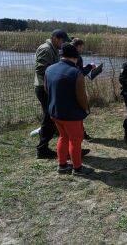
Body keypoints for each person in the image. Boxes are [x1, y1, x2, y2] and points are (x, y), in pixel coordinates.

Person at [45, 43, 94, 175]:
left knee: (63, 137)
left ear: (62, 56)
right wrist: (86, 109)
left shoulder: (49, 69)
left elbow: (46, 89)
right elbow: (81, 97)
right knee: (75, 140)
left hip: (55, 112)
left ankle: (62, 165)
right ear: (75, 57)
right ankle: (77, 168)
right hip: (71, 114)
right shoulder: (76, 73)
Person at [34, 29, 71, 159]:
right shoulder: (46, 49)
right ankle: (42, 149)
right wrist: (54, 77)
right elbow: (40, 69)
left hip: (49, 87)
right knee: (49, 117)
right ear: (55, 38)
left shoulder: (54, 49)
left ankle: (65, 147)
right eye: (62, 41)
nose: (63, 43)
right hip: (44, 88)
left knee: (52, 116)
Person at [71, 38, 96, 141]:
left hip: (70, 86)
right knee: (79, 111)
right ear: (78, 46)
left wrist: (85, 66)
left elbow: (77, 68)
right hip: (76, 87)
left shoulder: (68, 56)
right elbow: (80, 73)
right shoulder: (77, 56)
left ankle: (81, 133)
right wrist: (90, 66)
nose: (82, 49)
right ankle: (81, 134)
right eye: (81, 47)